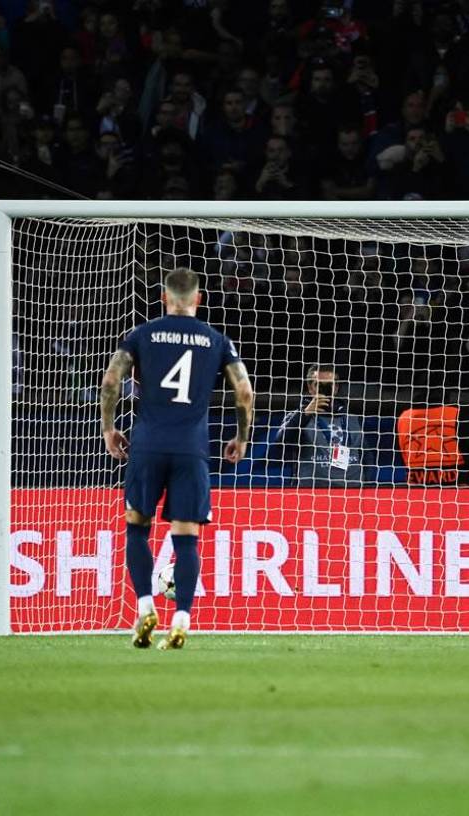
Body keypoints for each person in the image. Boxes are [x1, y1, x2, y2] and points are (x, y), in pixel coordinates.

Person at [100, 268, 253, 651]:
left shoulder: (142, 334)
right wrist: (242, 436)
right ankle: (182, 619)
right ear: (197, 299)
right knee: (186, 537)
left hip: (148, 444)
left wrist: (108, 428)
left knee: (137, 527)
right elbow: (245, 391)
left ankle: (145, 607)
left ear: (164, 298)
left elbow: (110, 380)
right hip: (191, 448)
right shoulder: (216, 340)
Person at [270, 364, 369, 487]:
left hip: (352, 492)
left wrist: (367, 486)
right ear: (310, 388)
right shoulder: (297, 417)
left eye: (329, 385)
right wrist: (304, 414)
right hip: (311, 492)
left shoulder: (352, 418)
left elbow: (367, 457)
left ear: (336, 387)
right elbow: (280, 443)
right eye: (320, 385)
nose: (325, 389)